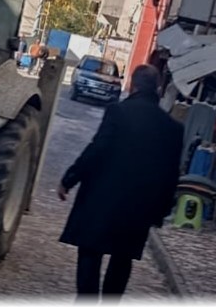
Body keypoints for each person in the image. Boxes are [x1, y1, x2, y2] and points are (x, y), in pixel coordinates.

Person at [58, 65, 183, 300]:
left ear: (133, 85)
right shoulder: (173, 129)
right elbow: (171, 174)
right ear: (157, 88)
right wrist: (160, 212)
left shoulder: (118, 112)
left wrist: (70, 179)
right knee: (123, 258)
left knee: (90, 251)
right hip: (139, 207)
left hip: (101, 199)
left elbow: (97, 149)